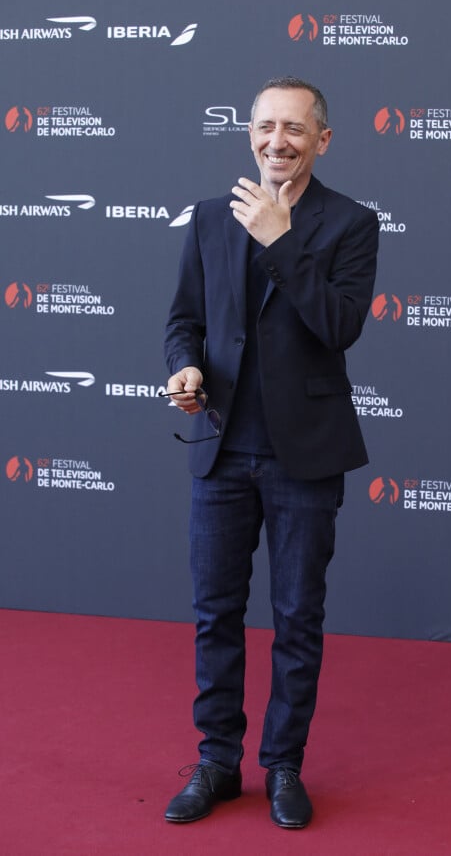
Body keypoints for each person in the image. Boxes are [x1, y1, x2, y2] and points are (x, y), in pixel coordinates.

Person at [163, 76, 379, 829]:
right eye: (264, 126)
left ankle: (283, 765)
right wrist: (184, 369)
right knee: (214, 613)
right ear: (248, 132)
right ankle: (217, 760)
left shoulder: (352, 223)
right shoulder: (207, 218)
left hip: (304, 457)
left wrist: (281, 240)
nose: (275, 140)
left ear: (323, 139)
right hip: (221, 452)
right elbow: (183, 321)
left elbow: (339, 326)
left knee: (297, 616)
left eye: (293, 127)